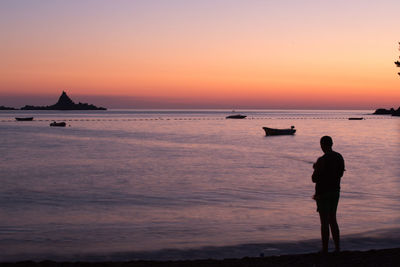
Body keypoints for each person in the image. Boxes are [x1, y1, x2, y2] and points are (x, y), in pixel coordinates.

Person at [312, 136, 345, 253]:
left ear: (322, 145)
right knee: (333, 220)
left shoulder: (322, 159)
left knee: (324, 222)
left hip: (323, 193)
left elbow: (314, 179)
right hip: (336, 191)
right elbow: (341, 174)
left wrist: (316, 168)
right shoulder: (339, 157)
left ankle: (325, 249)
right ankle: (337, 248)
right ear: (332, 144)